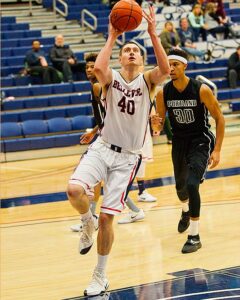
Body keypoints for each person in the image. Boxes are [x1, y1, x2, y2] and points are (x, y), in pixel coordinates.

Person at [67, 5, 170, 297]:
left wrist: (152, 34)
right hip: (102, 148)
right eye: (127, 50)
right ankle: (88, 220)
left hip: (127, 158)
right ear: (121, 57)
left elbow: (164, 70)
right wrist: (112, 36)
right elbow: (99, 69)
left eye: (136, 50)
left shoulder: (147, 81)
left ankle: (100, 276)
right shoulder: (110, 78)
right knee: (75, 189)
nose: (132, 53)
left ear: (142, 58)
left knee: (109, 218)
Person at [152, 48, 225, 254]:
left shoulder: (201, 90)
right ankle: (185, 211)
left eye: (176, 64)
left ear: (185, 66)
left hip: (200, 140)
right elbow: (159, 122)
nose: (171, 68)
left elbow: (220, 118)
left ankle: (194, 235)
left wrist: (217, 150)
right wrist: (155, 125)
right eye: (169, 65)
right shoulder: (163, 92)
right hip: (179, 141)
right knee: (180, 188)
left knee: (193, 185)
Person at [70, 53, 145, 232]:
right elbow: (105, 117)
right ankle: (135, 211)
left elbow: (112, 116)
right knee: (110, 182)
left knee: (99, 179)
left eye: (92, 66)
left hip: (115, 140)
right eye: (87, 67)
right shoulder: (95, 86)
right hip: (105, 136)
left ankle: (92, 217)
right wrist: (94, 132)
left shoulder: (99, 87)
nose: (89, 70)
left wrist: (98, 132)